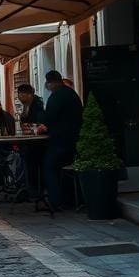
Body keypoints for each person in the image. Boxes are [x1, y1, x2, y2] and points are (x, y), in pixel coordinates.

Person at [35, 70, 84, 210]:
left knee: (49, 167)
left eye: (48, 84)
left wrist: (40, 115)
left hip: (60, 140)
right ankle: (69, 199)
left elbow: (49, 117)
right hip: (75, 139)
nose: (47, 87)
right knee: (63, 168)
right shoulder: (71, 94)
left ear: (51, 83)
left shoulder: (56, 96)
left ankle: (55, 201)